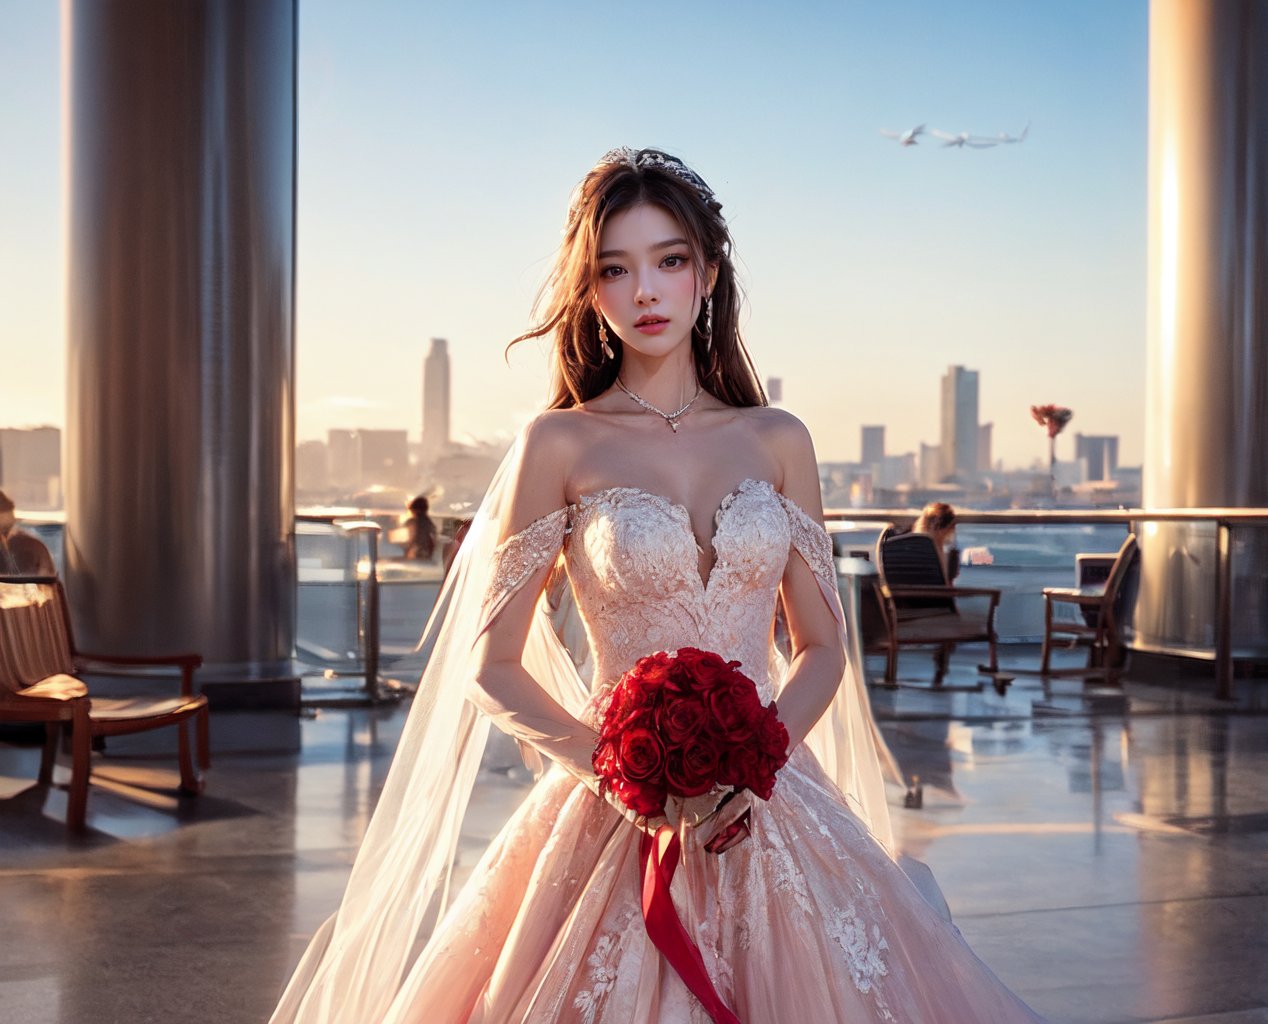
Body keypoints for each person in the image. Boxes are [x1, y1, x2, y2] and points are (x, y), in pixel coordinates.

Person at [271, 148, 1043, 1023]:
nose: (646, 291)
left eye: (669, 261)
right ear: (591, 292)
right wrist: (619, 776)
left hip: (771, 795)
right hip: (615, 801)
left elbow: (822, 649)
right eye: (615, 268)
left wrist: (754, 761)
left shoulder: (778, 438)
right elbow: (493, 667)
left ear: (707, 274)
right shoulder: (559, 443)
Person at [0, 490, 57, 576]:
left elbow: (49, 584)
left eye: (8, 530)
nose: (5, 537)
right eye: (4, 530)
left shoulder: (32, 547)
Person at [399, 495, 437, 560]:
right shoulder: (430, 524)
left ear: (414, 510)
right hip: (424, 556)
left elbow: (402, 540)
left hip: (416, 555)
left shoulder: (411, 522)